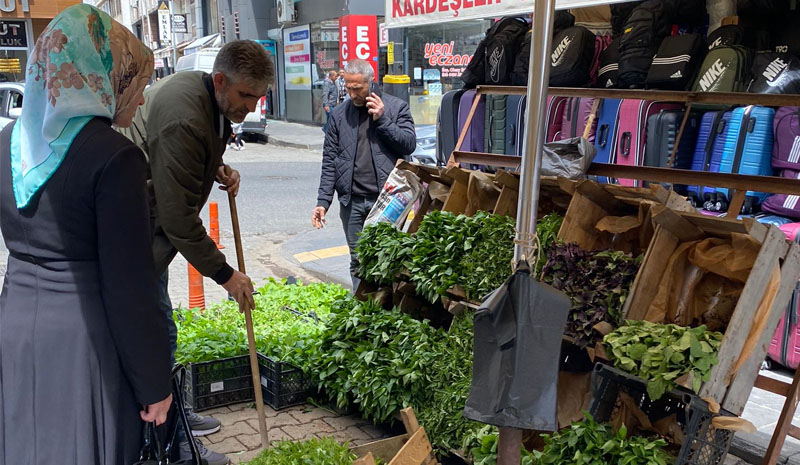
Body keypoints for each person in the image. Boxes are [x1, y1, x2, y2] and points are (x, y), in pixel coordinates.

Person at [0, 5, 172, 464]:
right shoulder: (114, 158)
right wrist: (154, 382)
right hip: (84, 339)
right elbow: (129, 287)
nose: (138, 97)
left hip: (16, 326)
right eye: (133, 79)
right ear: (101, 70)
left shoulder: (8, 145)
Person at [121, 40, 274, 465]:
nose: (251, 105)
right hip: (137, 235)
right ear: (221, 81)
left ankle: (174, 420)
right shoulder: (184, 115)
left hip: (151, 231)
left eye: (259, 97)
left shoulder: (211, 100)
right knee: (156, 337)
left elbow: (204, 147)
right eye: (246, 95)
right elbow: (178, 219)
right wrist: (227, 275)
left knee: (161, 330)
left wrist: (219, 168)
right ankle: (171, 443)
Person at [312, 59, 416, 290]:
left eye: (357, 88)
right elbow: (330, 160)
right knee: (358, 261)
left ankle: (385, 311)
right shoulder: (339, 115)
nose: (352, 93)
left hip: (387, 201)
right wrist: (323, 201)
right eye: (347, 87)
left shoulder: (396, 107)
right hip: (352, 202)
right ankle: (363, 311)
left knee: (386, 260)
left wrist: (383, 120)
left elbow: (408, 145)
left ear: (371, 82)